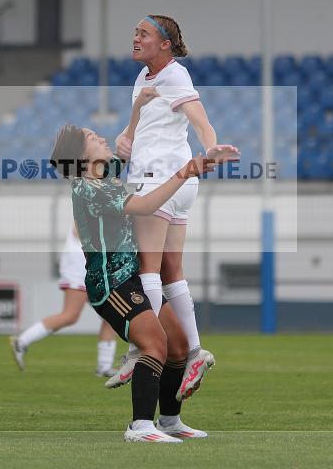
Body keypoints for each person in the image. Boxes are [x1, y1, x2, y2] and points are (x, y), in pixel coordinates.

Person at [48, 118, 218, 443]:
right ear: (82, 157)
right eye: (92, 138)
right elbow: (145, 205)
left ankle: (169, 421)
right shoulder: (87, 188)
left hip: (134, 279)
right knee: (155, 344)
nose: (100, 138)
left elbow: (127, 155)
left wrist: (139, 108)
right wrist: (185, 172)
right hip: (112, 284)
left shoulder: (103, 176)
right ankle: (140, 426)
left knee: (179, 346)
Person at [109, 14, 239, 401]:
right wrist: (127, 134)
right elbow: (146, 125)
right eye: (135, 31)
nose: (135, 38)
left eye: (143, 33)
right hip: (176, 182)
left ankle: (142, 345)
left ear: (165, 43)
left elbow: (200, 121)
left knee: (146, 269)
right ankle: (196, 353)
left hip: (161, 179)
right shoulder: (145, 77)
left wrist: (211, 146)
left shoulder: (174, 75)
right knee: (171, 272)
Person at [9, 223, 118, 377]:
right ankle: (21, 342)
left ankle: (104, 366)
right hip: (79, 270)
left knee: (111, 315)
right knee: (70, 315)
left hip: (90, 270)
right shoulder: (89, 208)